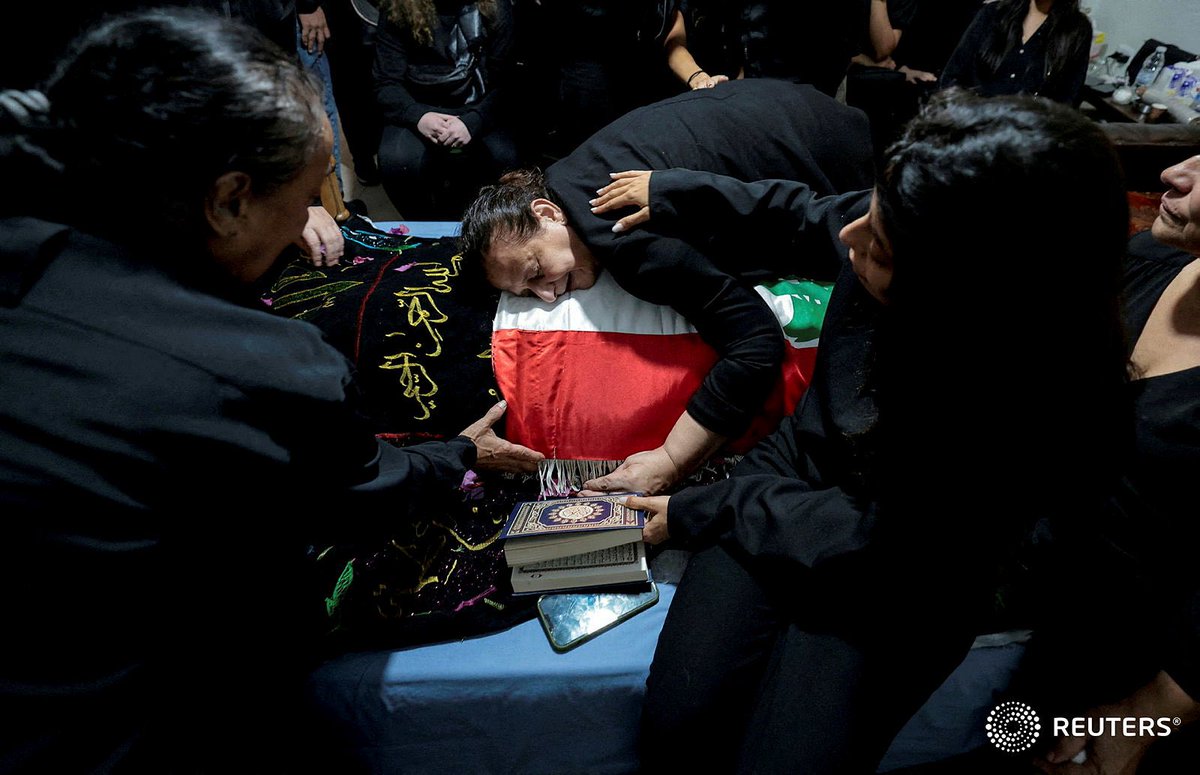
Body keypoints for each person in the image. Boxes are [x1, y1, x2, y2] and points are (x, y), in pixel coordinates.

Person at [0, 11, 541, 772]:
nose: (310, 217)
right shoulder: (257, 367)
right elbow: (363, 488)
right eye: (309, 187)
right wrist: (461, 452)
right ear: (227, 200)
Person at [590, 91, 1131, 772]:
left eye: (879, 247)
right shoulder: (905, 227)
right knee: (680, 720)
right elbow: (806, 215)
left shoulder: (1033, 413)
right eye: (870, 211)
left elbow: (876, 542)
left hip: (900, 579)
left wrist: (694, 509)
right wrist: (677, 191)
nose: (852, 240)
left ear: (963, 300)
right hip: (790, 482)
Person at [459, 78, 875, 495]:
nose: (547, 295)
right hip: (796, 103)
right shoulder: (564, 176)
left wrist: (672, 459)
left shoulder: (622, 237)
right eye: (527, 293)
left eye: (535, 272)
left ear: (546, 212)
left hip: (839, 165)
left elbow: (755, 342)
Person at [1028, 155, 1200, 775]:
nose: (1177, 173)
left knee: (1006, 743)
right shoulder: (1153, 263)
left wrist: (1147, 713)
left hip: (1103, 664)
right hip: (1010, 599)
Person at [374, 0, 519, 219]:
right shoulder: (398, 7)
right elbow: (386, 82)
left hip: (478, 103)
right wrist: (419, 116)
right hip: (419, 104)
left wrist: (474, 120)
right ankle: (426, 232)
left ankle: (487, 226)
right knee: (396, 161)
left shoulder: (496, 6)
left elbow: (507, 81)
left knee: (504, 158)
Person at [662, 1, 869, 96]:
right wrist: (700, 78)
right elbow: (675, 41)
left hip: (809, 94)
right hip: (735, 94)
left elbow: (844, 47)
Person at [941, 0, 1092, 106]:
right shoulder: (994, 13)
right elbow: (952, 75)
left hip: (1026, 136)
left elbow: (1067, 98)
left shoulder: (1077, 30)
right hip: (973, 123)